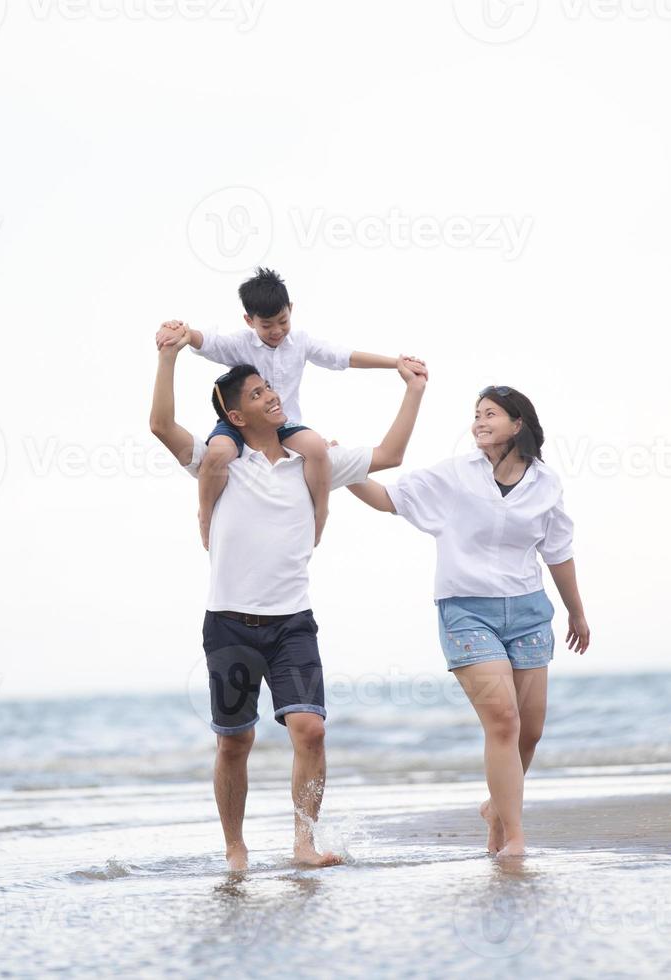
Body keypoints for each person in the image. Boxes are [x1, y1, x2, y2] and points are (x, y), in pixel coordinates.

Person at [148, 327, 429, 871]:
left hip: (292, 625)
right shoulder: (219, 462)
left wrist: (412, 389)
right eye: (255, 394)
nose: (270, 395)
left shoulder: (312, 459)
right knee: (235, 743)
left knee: (311, 729)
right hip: (229, 624)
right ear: (235, 416)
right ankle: (235, 847)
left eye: (268, 388)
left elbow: (391, 454)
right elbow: (160, 425)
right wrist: (168, 358)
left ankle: (304, 840)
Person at [345, 385, 590, 859]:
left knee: (530, 731)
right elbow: (386, 498)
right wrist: (344, 469)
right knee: (503, 721)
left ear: (517, 424)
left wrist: (576, 611)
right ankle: (514, 837)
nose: (478, 421)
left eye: (490, 414)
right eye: (475, 414)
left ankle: (496, 807)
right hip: (466, 610)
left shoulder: (546, 483)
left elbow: (558, 551)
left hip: (528, 612)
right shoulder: (455, 475)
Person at [154, 268, 427, 550]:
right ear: (250, 321)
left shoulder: (301, 343)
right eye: (267, 325)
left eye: (283, 321)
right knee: (219, 452)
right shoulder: (239, 344)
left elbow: (343, 357)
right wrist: (183, 333)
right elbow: (208, 342)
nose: (276, 331)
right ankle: (206, 518)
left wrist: (395, 363)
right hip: (241, 423)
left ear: (291, 310)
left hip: (285, 425)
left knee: (316, 446)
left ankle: (319, 517)